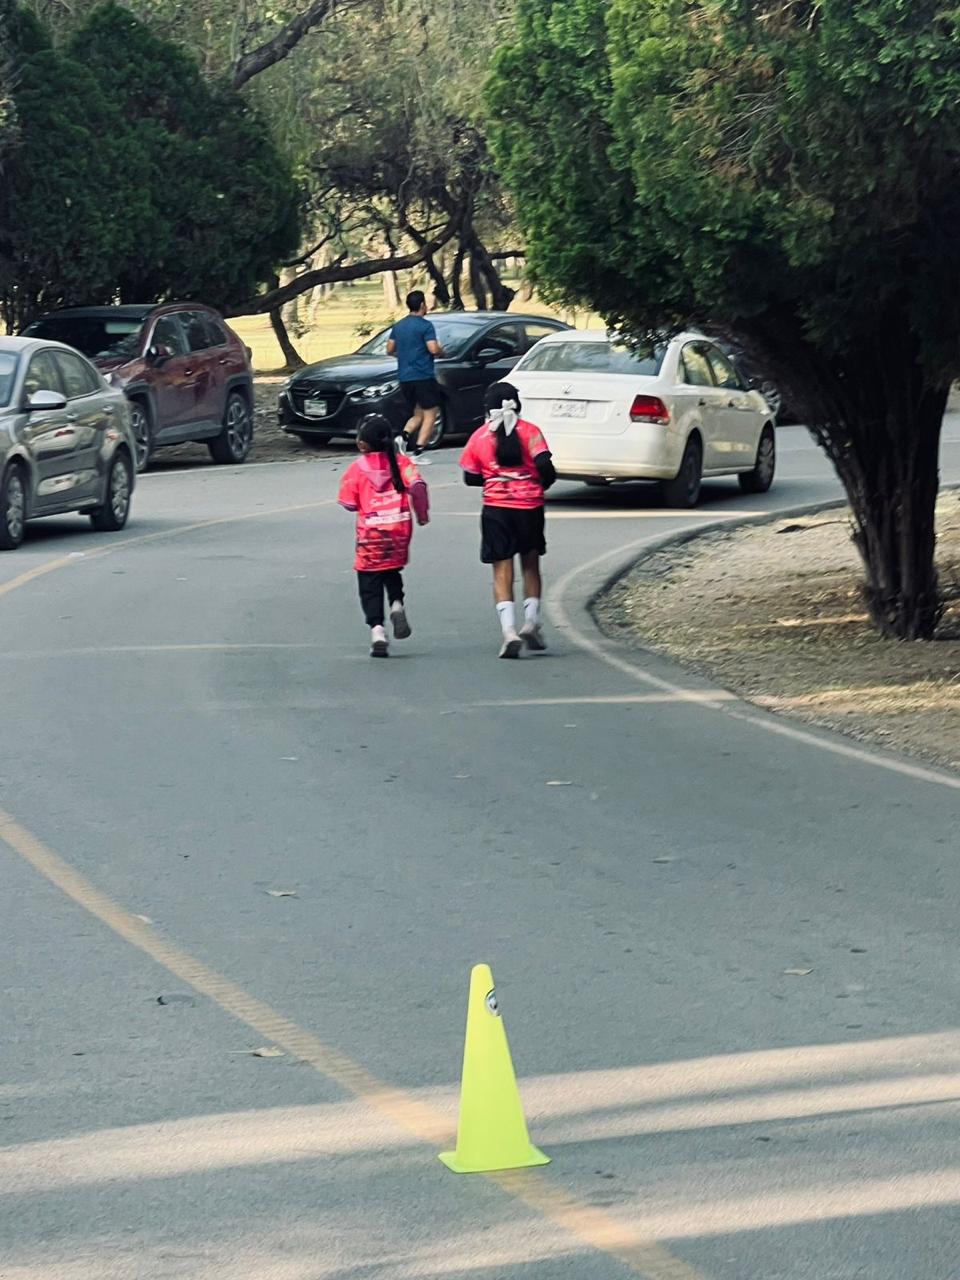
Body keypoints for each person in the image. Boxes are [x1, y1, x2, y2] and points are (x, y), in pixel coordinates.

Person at [460, 382, 556, 658]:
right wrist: (538, 485)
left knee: (501, 570)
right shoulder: (531, 432)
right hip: (529, 507)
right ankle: (531, 621)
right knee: (530, 565)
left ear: (487, 409)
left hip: (496, 510)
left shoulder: (479, 437)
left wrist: (494, 477)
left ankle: (509, 631)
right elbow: (545, 466)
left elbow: (470, 476)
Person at [338, 414, 430, 657]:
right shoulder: (402, 463)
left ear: (362, 444)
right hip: (399, 531)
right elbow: (418, 486)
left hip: (371, 534)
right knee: (391, 570)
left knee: (369, 582)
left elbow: (348, 503)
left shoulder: (357, 469)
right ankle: (397, 603)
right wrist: (422, 515)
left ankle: (377, 630)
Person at [387, 290, 446, 464]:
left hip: (405, 377)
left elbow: (389, 349)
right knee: (431, 414)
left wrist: (404, 356)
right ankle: (418, 453)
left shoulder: (399, 326)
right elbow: (433, 348)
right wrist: (442, 351)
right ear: (421, 305)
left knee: (418, 413)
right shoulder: (425, 326)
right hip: (423, 376)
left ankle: (403, 437)